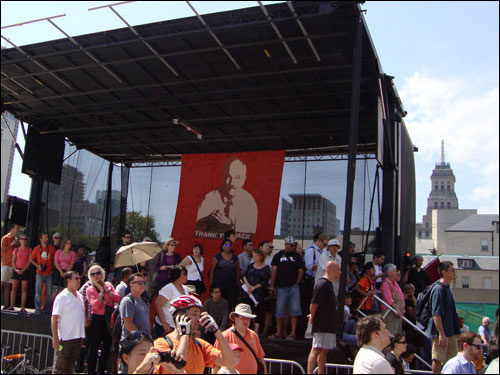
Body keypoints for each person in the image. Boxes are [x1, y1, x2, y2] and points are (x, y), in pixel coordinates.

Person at [154, 295, 237, 374]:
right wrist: (184, 334)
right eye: (194, 314)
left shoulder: (200, 344)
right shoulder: (161, 343)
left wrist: (217, 331)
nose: (199, 319)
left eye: (199, 315)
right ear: (180, 317)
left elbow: (230, 362)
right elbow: (179, 366)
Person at [195, 157, 258, 237]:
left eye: (237, 177)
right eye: (228, 176)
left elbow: (248, 237)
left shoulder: (249, 203)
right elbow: (196, 231)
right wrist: (208, 221)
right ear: (223, 176)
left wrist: (230, 226)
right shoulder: (209, 197)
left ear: (244, 179)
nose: (231, 182)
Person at [425, 260, 461, 374]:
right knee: (438, 358)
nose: (454, 272)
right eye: (452, 270)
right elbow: (436, 313)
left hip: (450, 332)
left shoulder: (447, 288)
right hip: (441, 332)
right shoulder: (438, 289)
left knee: (452, 359)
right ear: (444, 272)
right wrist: (441, 334)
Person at [86, 264, 121, 374]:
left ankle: (101, 370)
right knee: (94, 347)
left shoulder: (109, 285)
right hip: (97, 319)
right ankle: (91, 371)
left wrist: (107, 290)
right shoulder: (89, 289)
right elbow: (95, 305)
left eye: (98, 273)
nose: (96, 276)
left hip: (108, 319)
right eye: (93, 274)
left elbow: (117, 299)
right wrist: (101, 291)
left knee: (106, 347)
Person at [307, 261, 340, 374]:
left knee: (324, 350)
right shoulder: (322, 284)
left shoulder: (329, 284)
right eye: (338, 270)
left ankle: (321, 372)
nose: (340, 273)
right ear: (332, 270)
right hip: (321, 323)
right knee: (316, 349)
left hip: (329, 324)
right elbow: (314, 303)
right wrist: (313, 316)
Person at [269, 235, 304, 340]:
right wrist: (272, 286)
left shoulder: (297, 257)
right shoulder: (278, 255)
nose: (293, 247)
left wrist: (297, 283)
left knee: (295, 310)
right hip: (280, 287)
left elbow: (301, 270)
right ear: (285, 244)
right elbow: (274, 270)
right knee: (279, 310)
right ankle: (278, 332)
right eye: (291, 245)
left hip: (293, 287)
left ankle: (292, 333)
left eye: (294, 245)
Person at [215, 303, 266, 374]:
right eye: (242, 318)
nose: (246, 321)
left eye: (248, 318)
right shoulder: (224, 336)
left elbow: (260, 358)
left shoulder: (254, 335)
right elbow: (216, 363)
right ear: (235, 318)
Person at [51, 271, 85, 374]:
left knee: (70, 368)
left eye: (79, 278)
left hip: (77, 338)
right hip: (65, 338)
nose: (79, 281)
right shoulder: (62, 297)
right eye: (76, 278)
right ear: (68, 281)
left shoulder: (80, 296)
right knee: (60, 367)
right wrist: (55, 338)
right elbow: (54, 318)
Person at [154, 266, 189, 339]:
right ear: (177, 275)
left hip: (177, 326)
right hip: (166, 326)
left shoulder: (185, 289)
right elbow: (157, 304)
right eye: (184, 274)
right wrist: (164, 324)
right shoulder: (169, 288)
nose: (186, 276)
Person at [242, 248, 271, 333]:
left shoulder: (266, 268)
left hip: (258, 293)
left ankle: (256, 329)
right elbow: (244, 276)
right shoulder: (250, 266)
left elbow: (264, 281)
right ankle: (247, 328)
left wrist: (254, 288)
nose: (253, 257)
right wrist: (248, 286)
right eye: (253, 256)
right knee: (248, 309)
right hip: (248, 291)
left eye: (255, 256)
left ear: (260, 256)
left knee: (258, 311)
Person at [209, 240, 240, 309]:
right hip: (219, 284)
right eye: (226, 245)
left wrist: (237, 282)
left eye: (230, 245)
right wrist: (212, 284)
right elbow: (212, 271)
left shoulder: (235, 258)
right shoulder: (217, 257)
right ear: (222, 246)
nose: (228, 247)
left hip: (231, 285)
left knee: (229, 302)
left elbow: (237, 271)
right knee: (219, 300)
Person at [120, 273, 151, 341]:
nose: (142, 285)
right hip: (131, 343)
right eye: (139, 283)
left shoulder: (145, 301)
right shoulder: (128, 301)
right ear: (131, 285)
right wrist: (141, 337)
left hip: (144, 342)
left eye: (143, 283)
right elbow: (128, 324)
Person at [31, 232, 56, 315]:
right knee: (38, 292)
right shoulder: (37, 248)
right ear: (41, 239)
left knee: (48, 293)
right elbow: (31, 259)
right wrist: (37, 265)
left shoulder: (52, 248)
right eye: (45, 237)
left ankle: (47, 309)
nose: (47, 239)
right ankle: (38, 308)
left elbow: (54, 260)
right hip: (39, 273)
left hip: (49, 273)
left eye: (47, 237)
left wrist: (53, 268)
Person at [7, 234, 31, 312]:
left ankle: (22, 306)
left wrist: (23, 270)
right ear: (19, 240)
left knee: (24, 288)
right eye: (22, 239)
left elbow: (29, 261)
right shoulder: (16, 249)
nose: (23, 240)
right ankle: (11, 305)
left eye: (25, 239)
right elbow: (13, 261)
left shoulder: (29, 250)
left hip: (25, 270)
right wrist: (16, 269)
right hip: (16, 269)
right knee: (14, 288)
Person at [380, 264, 405, 335]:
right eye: (394, 271)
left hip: (398, 311)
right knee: (391, 331)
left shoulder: (395, 283)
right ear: (389, 273)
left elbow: (401, 296)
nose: (396, 273)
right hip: (390, 311)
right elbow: (389, 299)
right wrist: (396, 309)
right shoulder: (386, 283)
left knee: (397, 332)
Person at [1, 224, 19, 309]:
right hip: (4, 264)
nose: (18, 230)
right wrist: (12, 245)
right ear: (12, 229)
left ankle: (6, 304)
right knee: (1, 283)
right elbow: (3, 250)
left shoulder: (16, 240)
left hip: (12, 265)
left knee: (8, 285)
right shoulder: (5, 238)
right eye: (17, 229)